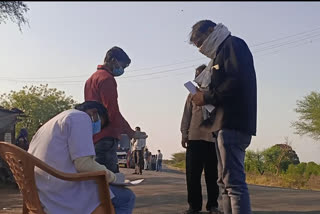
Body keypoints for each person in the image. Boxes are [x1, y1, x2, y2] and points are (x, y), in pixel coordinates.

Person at [189, 20, 257, 214]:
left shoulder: (233, 45)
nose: (201, 48)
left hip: (233, 123)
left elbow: (235, 82)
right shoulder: (220, 52)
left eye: (201, 41)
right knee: (224, 183)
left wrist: (206, 96)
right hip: (222, 125)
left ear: (211, 30)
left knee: (233, 183)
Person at [28, 101, 135, 214]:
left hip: (41, 191)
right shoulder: (80, 118)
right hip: (62, 191)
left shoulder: (54, 122)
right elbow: (84, 164)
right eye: (100, 124)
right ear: (94, 113)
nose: (95, 130)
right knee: (126, 197)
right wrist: (113, 178)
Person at [84, 46, 144, 173]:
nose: (121, 70)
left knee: (96, 181)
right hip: (106, 136)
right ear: (113, 60)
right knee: (109, 182)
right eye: (122, 66)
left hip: (94, 135)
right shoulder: (107, 79)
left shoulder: (91, 79)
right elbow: (112, 111)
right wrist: (130, 132)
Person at [180, 65, 220, 214]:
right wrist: (184, 134)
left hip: (212, 139)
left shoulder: (215, 94)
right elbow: (186, 115)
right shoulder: (191, 94)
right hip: (194, 138)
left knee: (212, 175)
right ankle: (194, 206)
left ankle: (213, 205)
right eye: (196, 76)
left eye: (201, 76)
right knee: (192, 175)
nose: (198, 79)